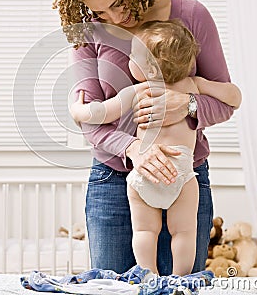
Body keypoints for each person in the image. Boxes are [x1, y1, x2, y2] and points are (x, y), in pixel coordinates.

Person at [52, 0, 235, 275]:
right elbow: (91, 118)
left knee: (183, 284)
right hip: (113, 181)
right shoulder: (89, 30)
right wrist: (135, 148)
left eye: (118, 3)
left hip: (184, 176)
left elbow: (225, 98)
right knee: (113, 286)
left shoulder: (192, 16)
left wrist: (188, 105)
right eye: (101, 12)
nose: (115, 19)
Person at [69, 20, 241, 275]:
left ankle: (147, 274)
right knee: (184, 232)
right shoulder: (193, 85)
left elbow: (101, 113)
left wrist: (76, 109)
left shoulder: (137, 92)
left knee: (144, 231)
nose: (128, 58)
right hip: (181, 174)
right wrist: (199, 96)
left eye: (133, 56)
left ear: (148, 67)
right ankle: (181, 279)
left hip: (144, 174)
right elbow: (233, 96)